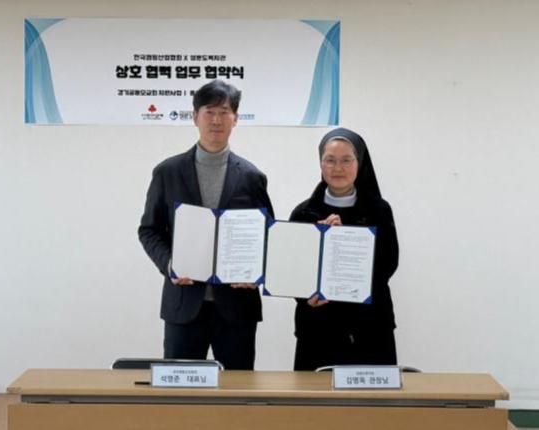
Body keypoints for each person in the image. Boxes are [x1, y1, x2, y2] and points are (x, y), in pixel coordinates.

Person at [138, 80, 274, 370]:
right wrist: (170, 264)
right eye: (209, 112)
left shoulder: (252, 177)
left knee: (237, 389)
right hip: (184, 305)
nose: (216, 120)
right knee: (180, 388)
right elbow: (149, 230)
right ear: (195, 117)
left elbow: (268, 236)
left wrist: (256, 270)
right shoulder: (168, 172)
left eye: (224, 112)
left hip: (237, 307)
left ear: (235, 119)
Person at [290, 127, 399, 371]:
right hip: (318, 325)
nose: (338, 168)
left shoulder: (379, 210)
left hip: (370, 324)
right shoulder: (303, 213)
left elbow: (388, 263)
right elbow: (293, 269)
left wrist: (346, 237)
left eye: (346, 160)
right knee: (315, 395)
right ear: (320, 164)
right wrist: (305, 296)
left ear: (359, 163)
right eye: (330, 160)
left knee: (371, 394)